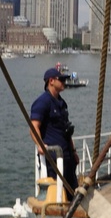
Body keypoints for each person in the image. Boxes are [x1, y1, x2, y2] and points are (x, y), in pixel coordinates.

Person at [31, 67, 78, 197]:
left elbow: (66, 129)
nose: (64, 82)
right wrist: (40, 145)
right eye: (61, 79)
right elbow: (34, 126)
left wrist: (73, 152)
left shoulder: (62, 103)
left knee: (71, 191)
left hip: (67, 156)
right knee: (57, 192)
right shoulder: (43, 102)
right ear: (51, 81)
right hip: (54, 158)